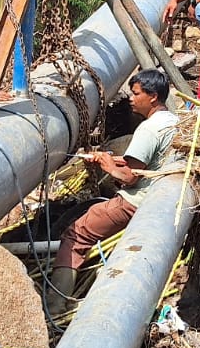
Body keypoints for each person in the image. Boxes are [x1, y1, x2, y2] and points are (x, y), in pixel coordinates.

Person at [46, 70, 179, 318]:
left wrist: (107, 166)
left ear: (153, 97)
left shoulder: (148, 130)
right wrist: (111, 159)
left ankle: (55, 307)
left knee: (76, 234)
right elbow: (146, 163)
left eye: (136, 93)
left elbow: (130, 177)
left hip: (137, 201)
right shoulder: (173, 121)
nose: (130, 98)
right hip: (161, 198)